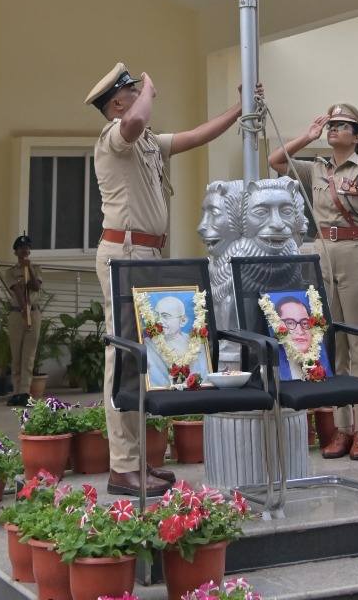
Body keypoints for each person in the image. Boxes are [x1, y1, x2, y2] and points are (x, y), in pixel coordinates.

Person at [87, 62, 245, 496]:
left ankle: (138, 461)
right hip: (124, 252)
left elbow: (196, 136)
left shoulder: (148, 142)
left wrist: (239, 108)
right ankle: (122, 467)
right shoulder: (114, 135)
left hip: (148, 254)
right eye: (131, 92)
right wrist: (150, 91)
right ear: (117, 105)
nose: (140, 95)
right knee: (124, 356)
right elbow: (135, 120)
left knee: (144, 357)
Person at [268, 102, 358, 462]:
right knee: (333, 343)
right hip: (324, 253)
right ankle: (343, 428)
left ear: (357, 136)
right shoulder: (317, 168)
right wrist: (307, 137)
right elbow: (276, 161)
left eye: (342, 125)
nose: (333, 129)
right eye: (330, 125)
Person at [143, 293, 212, 389]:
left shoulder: (195, 343)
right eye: (156, 315)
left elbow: (203, 374)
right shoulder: (148, 344)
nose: (159, 321)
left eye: (165, 316)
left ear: (183, 321)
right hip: (160, 392)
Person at [5, 234, 43, 407]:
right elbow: (17, 290)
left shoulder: (36, 268)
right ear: (16, 252)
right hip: (17, 314)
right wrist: (23, 308)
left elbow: (36, 286)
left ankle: (24, 392)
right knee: (17, 355)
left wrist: (30, 270)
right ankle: (16, 391)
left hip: (33, 314)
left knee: (29, 355)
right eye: (21, 248)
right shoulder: (11, 272)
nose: (24, 250)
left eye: (27, 248)